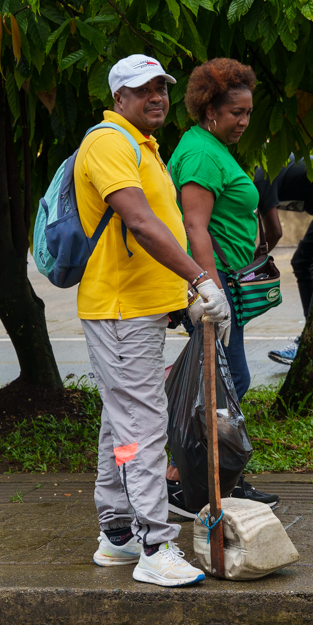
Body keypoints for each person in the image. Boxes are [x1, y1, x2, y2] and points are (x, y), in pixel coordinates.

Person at [81, 54, 231, 588]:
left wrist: (178, 297)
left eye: (161, 89)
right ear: (118, 97)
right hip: (119, 312)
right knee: (143, 427)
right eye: (143, 90)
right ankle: (154, 544)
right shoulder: (108, 142)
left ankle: (117, 533)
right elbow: (141, 224)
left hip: (138, 311)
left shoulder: (144, 146)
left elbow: (151, 232)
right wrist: (200, 279)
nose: (157, 98)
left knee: (120, 425)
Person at [164, 57, 279, 516]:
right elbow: (196, 229)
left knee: (218, 385)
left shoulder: (212, 148)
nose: (244, 122)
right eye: (237, 113)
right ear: (210, 109)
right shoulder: (199, 154)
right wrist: (209, 292)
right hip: (212, 288)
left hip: (224, 283)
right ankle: (188, 481)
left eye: (249, 113)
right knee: (225, 385)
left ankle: (206, 479)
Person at [255, 158, 313, 366]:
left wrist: (251, 266)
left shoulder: (260, 176)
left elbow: (274, 232)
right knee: (302, 262)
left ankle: (312, 343)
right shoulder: (256, 173)